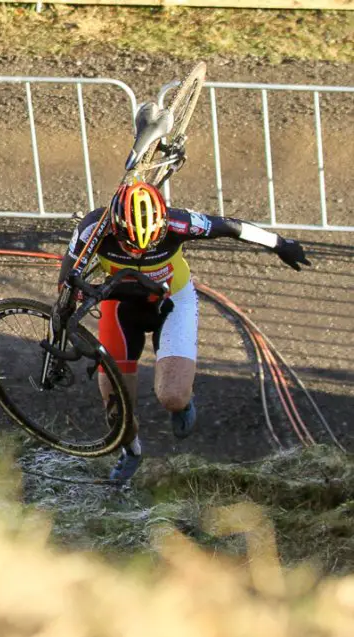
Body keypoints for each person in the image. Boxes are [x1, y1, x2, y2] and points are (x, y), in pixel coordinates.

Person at [57, 180, 310, 482]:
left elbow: (230, 227)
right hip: (121, 308)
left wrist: (279, 244)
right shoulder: (93, 229)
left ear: (162, 227)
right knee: (116, 412)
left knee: (172, 397)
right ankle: (132, 453)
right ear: (115, 226)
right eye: (128, 244)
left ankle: (183, 399)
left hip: (172, 302)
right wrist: (74, 305)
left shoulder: (179, 223)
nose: (137, 250)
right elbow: (66, 287)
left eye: (148, 244)